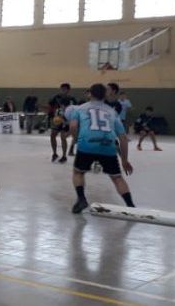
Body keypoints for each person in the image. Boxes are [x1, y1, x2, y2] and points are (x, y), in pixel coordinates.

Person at [68, 83, 135, 214]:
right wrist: (125, 160)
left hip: (87, 145)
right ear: (105, 95)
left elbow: (72, 127)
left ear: (90, 94)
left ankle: (81, 199)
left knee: (78, 172)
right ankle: (131, 206)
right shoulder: (112, 112)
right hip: (107, 146)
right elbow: (122, 138)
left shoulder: (80, 109)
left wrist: (77, 140)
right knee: (117, 178)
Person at [48, 83, 76, 163]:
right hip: (57, 119)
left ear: (68, 90)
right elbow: (51, 107)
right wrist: (51, 115)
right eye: (62, 89)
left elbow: (75, 109)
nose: (63, 90)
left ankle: (64, 156)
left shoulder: (72, 99)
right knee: (53, 135)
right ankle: (54, 153)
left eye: (65, 89)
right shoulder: (56, 97)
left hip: (66, 120)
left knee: (63, 137)